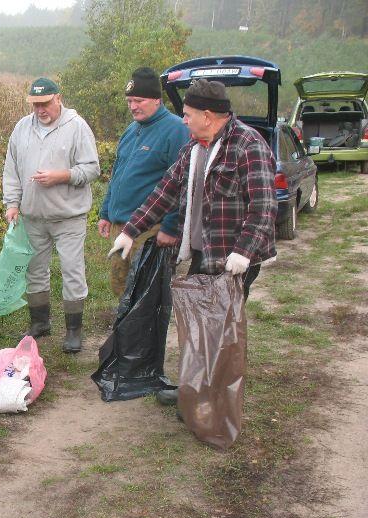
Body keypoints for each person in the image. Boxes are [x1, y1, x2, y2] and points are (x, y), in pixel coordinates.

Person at [108, 79, 277, 405]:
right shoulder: (194, 147)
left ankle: (213, 399)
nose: (182, 120)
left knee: (220, 327)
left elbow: (264, 207)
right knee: (202, 323)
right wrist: (130, 231)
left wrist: (243, 251)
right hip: (204, 252)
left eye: (187, 114)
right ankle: (198, 391)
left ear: (208, 115)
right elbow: (164, 192)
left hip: (236, 259)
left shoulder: (248, 145)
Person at [3, 77, 100, 353]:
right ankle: (40, 323)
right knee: (35, 269)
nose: (40, 110)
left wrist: (62, 176)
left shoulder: (77, 126)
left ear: (58, 98)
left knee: (71, 270)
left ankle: (73, 330)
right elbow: (12, 170)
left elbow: (92, 168)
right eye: (35, 105)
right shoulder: (22, 128)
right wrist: (12, 203)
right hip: (32, 216)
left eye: (45, 103)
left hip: (68, 217)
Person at [98, 67, 189, 297]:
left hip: (150, 230)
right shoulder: (132, 129)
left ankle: (145, 332)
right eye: (129, 101)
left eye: (138, 100)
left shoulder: (175, 129)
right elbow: (118, 172)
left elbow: (182, 184)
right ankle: (125, 331)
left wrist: (170, 227)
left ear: (157, 100)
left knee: (145, 293)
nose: (132, 106)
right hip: (123, 227)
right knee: (122, 289)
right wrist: (106, 211)